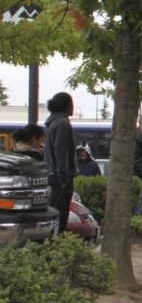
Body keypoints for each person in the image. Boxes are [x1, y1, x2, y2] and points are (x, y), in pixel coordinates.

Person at [44, 92, 76, 233]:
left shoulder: (53, 122)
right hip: (60, 178)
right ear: (67, 106)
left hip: (52, 175)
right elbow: (61, 153)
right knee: (60, 214)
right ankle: (55, 243)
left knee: (54, 212)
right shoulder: (63, 123)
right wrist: (64, 178)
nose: (73, 107)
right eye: (71, 103)